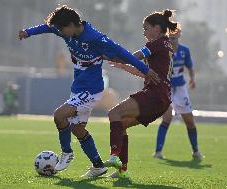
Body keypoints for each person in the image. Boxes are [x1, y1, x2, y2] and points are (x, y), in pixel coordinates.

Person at [18, 5, 159, 177]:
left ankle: (66, 153)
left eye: (62, 29)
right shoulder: (64, 30)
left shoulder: (95, 38)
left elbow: (123, 52)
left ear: (71, 24)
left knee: (59, 115)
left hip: (91, 90)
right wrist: (28, 32)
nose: (60, 32)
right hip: (78, 88)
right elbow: (48, 27)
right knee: (77, 129)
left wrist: (145, 69)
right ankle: (98, 166)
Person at [103, 9, 178, 179]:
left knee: (114, 113)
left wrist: (110, 55)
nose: (143, 32)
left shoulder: (154, 45)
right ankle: (123, 171)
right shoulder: (167, 45)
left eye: (146, 28)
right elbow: (147, 72)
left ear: (157, 28)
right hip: (162, 100)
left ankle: (114, 156)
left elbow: (133, 57)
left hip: (154, 95)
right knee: (121, 124)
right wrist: (124, 66)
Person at [153, 29, 204, 160]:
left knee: (189, 121)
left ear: (179, 36)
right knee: (167, 117)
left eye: (174, 38)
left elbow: (190, 67)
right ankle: (158, 152)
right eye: (170, 38)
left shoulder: (184, 50)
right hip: (166, 87)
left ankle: (196, 151)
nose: (172, 40)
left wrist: (192, 79)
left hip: (181, 88)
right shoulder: (163, 50)